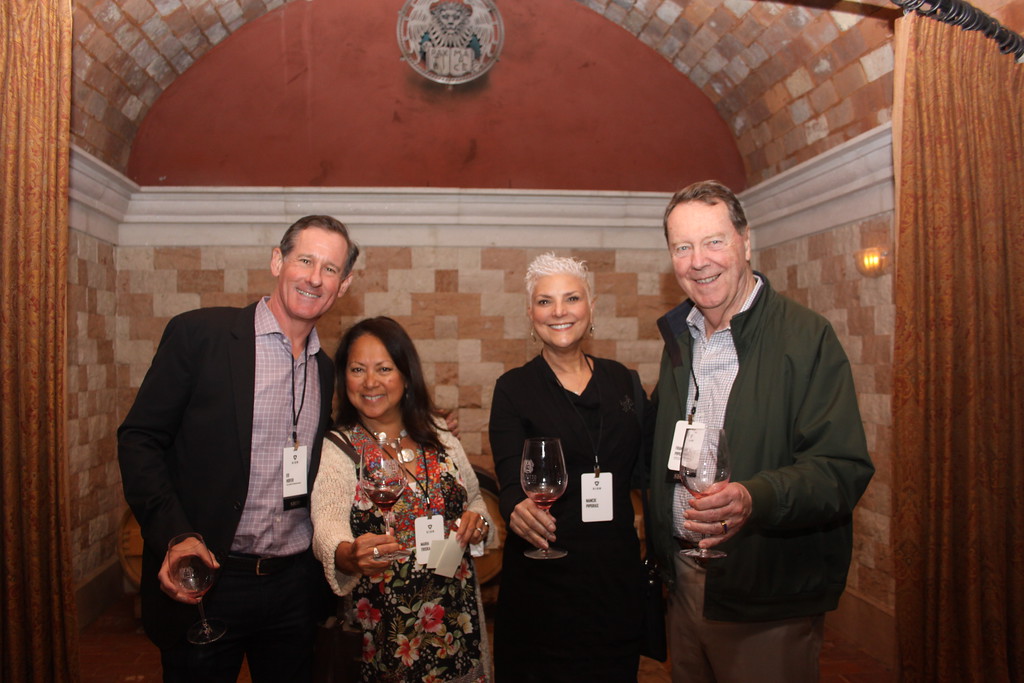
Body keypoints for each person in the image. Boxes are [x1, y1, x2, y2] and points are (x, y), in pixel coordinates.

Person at [647, 180, 875, 682]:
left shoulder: (806, 338)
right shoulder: (679, 339)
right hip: (684, 586)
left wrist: (755, 498)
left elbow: (842, 470)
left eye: (714, 241)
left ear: (746, 241)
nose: (698, 260)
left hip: (766, 595)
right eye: (682, 247)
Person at [117, 215, 359, 682]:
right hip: (209, 577)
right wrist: (175, 534)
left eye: (330, 269)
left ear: (343, 285)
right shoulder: (200, 336)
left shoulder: (324, 369)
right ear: (277, 260)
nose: (314, 277)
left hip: (293, 586)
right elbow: (140, 439)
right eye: (305, 260)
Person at [488, 253, 651, 682]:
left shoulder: (624, 381)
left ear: (591, 307)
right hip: (544, 575)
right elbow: (508, 479)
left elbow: (651, 464)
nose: (559, 311)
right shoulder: (513, 389)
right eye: (545, 302)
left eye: (571, 298)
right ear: (530, 314)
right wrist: (514, 507)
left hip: (614, 577)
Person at [311, 316, 494, 682]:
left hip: (458, 628)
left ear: (406, 375)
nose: (370, 382)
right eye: (357, 369)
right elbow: (326, 529)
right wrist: (347, 554)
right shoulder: (340, 449)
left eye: (384, 368)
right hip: (383, 639)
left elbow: (475, 502)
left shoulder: (439, 434)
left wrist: (478, 524)